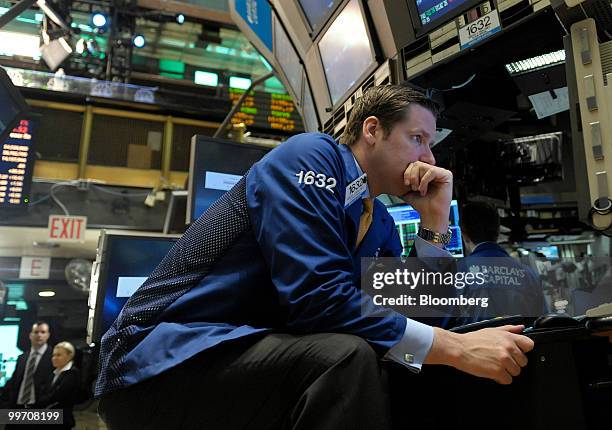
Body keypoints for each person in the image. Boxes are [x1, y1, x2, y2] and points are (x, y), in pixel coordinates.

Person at [97, 85, 534, 429]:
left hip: (237, 364)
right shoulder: (312, 157)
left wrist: (435, 225)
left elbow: (416, 315)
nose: (429, 158)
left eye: (432, 145)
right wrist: (458, 349)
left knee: (403, 363)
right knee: (347, 356)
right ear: (372, 130)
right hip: (155, 365)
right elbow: (318, 301)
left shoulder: (376, 218)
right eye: (417, 139)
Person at [459, 201, 547, 321]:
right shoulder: (530, 276)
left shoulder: (454, 274)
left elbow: (439, 330)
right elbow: (542, 325)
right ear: (498, 231)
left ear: (464, 234)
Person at [0, 321, 53, 409]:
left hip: (40, 408)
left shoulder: (53, 357)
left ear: (48, 335)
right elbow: (14, 381)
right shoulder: (22, 358)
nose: (39, 335)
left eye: (43, 332)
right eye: (36, 332)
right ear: (30, 335)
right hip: (17, 407)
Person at [37, 341, 81, 429]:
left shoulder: (72, 373)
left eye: (58, 355)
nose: (54, 358)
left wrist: (37, 403)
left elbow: (57, 396)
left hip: (61, 421)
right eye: (53, 355)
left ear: (70, 356)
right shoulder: (54, 373)